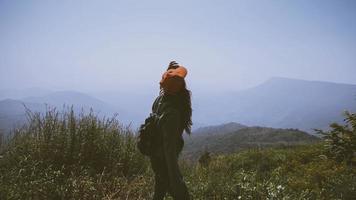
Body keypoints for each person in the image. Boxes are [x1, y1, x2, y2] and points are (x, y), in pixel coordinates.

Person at [149, 61, 192, 200]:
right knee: (182, 196)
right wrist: (175, 178)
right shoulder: (172, 114)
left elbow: (166, 89)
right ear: (179, 88)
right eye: (180, 81)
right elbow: (169, 149)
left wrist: (169, 73)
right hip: (165, 161)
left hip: (156, 156)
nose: (183, 82)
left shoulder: (160, 100)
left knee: (159, 193)